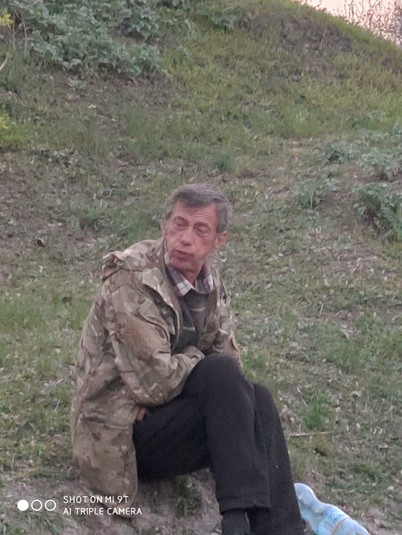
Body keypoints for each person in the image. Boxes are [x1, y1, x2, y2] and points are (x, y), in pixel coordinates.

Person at [70, 183, 304, 535]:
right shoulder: (132, 277)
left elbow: (228, 365)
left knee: (258, 398)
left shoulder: (209, 283)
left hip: (163, 413)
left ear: (219, 241)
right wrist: (198, 360)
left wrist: (198, 373)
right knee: (221, 375)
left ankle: (276, 529)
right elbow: (155, 383)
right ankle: (236, 522)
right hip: (119, 431)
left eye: (200, 230)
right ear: (164, 226)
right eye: (179, 224)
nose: (185, 239)